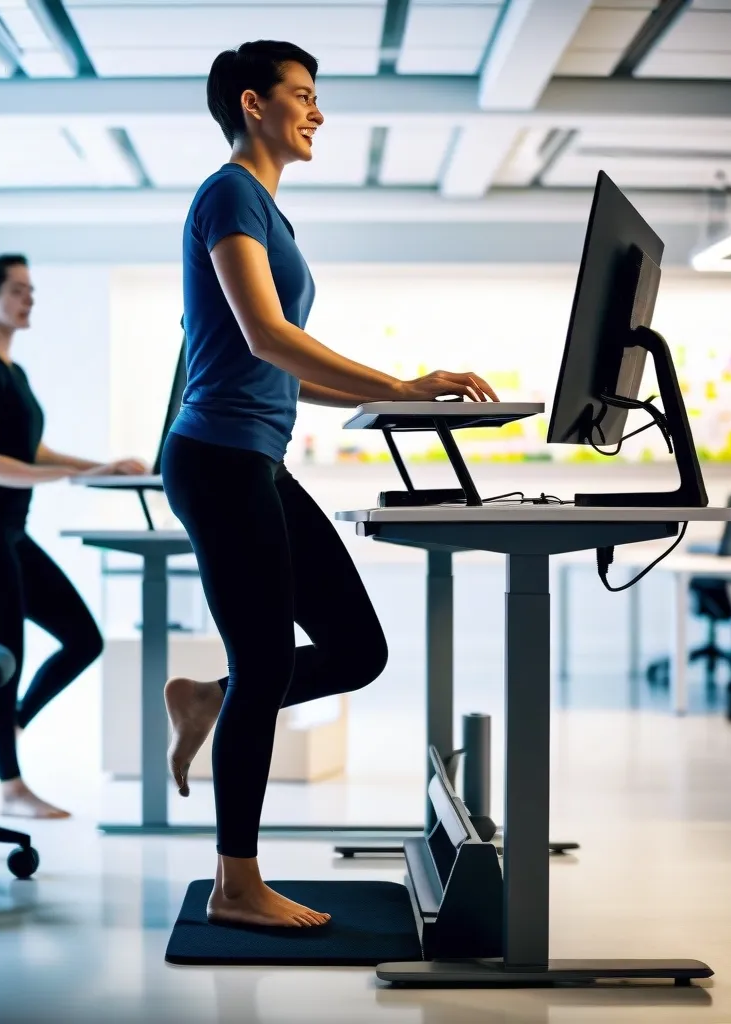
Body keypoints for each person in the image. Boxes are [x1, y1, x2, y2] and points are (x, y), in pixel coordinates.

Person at [160, 41, 499, 929]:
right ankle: (238, 885)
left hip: (254, 459)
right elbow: (268, 336)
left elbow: (277, 368)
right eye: (302, 96)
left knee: (357, 649)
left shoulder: (268, 211)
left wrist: (393, 395)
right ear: (252, 103)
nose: (317, 113)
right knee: (268, 661)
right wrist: (396, 387)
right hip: (217, 458)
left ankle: (206, 699)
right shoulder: (230, 192)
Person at [0, 254, 147, 819]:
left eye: (32, 291)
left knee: (83, 638)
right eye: (18, 290)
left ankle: (14, 722)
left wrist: (101, 467)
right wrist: (75, 475)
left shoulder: (14, 374)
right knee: (6, 655)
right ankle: (11, 789)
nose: (29, 299)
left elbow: (33, 452)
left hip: (9, 531)